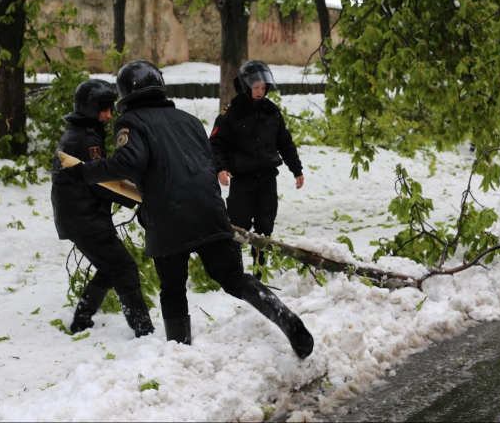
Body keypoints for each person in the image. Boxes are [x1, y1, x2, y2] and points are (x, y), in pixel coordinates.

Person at [60, 60, 314, 359]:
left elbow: (129, 162)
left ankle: (181, 355)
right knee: (233, 278)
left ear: (126, 93)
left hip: (169, 219)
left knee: (173, 290)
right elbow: (205, 161)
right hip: (210, 210)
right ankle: (285, 317)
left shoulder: (131, 123)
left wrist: (86, 172)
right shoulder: (189, 119)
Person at [51, 79, 155, 337]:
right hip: (85, 219)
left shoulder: (79, 134)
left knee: (111, 267)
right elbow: (102, 182)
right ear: (89, 108)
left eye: (111, 109)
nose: (109, 115)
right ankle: (142, 329)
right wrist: (139, 198)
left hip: (78, 217)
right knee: (124, 267)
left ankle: (81, 320)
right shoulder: (87, 140)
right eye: (104, 109)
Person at [209, 60, 304, 277]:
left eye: (263, 87)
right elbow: (216, 143)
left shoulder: (272, 112)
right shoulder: (230, 112)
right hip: (242, 180)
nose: (260, 92)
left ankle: (259, 271)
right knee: (238, 227)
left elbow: (285, 143)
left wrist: (296, 169)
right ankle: (235, 273)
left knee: (264, 227)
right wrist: (221, 168)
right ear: (245, 86)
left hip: (267, 179)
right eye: (255, 87)